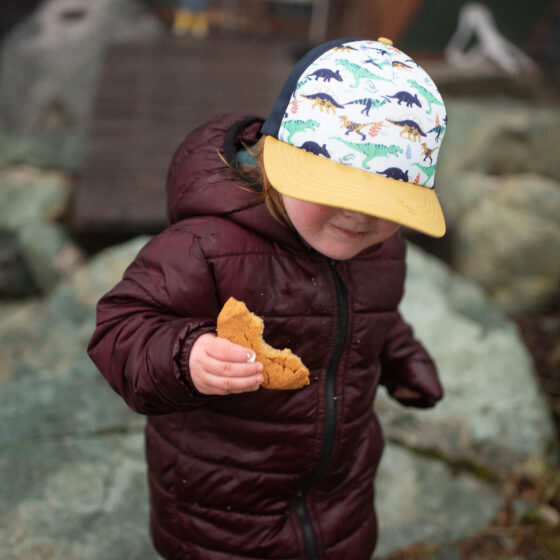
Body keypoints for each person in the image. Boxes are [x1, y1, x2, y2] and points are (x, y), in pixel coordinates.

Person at [88, 36, 447, 560]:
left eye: (384, 203)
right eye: (335, 191)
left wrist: (403, 360)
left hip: (340, 495)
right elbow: (120, 328)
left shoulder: (379, 251)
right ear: (278, 161)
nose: (360, 219)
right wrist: (186, 355)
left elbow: (376, 314)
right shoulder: (205, 246)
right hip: (221, 508)